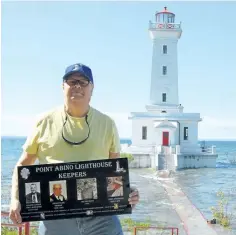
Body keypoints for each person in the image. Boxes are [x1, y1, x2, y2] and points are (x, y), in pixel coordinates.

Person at [9, 63, 140, 235]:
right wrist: (15, 199)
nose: (77, 86)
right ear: (63, 86)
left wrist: (128, 191)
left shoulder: (107, 124)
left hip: (101, 219)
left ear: (92, 88)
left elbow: (115, 172)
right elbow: (22, 167)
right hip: (55, 218)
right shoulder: (43, 121)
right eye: (71, 81)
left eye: (83, 82)